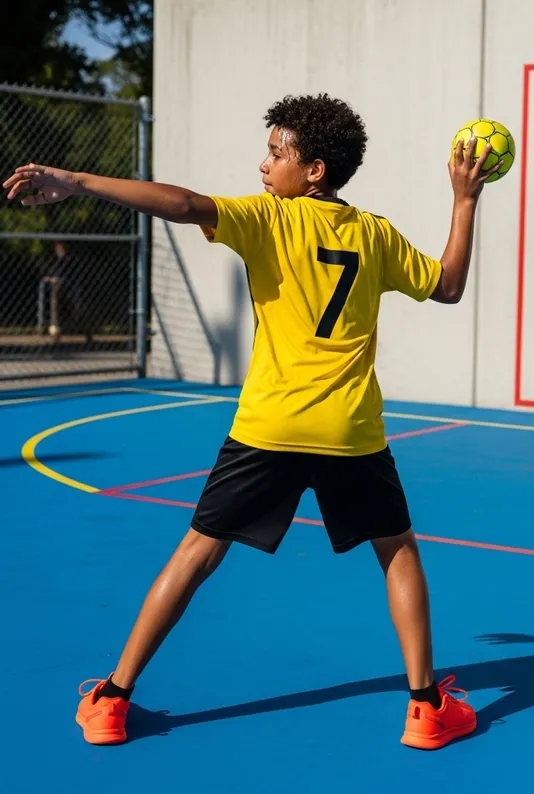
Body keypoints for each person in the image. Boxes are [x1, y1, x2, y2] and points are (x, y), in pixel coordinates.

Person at [3, 93, 502, 750]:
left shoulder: (268, 220)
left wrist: (74, 181)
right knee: (398, 551)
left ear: (315, 169)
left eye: (277, 153)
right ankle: (425, 708)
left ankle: (113, 699)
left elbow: (182, 205)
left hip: (269, 426)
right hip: (349, 430)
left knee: (196, 554)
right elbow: (447, 285)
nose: (264, 165)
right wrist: (465, 201)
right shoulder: (374, 233)